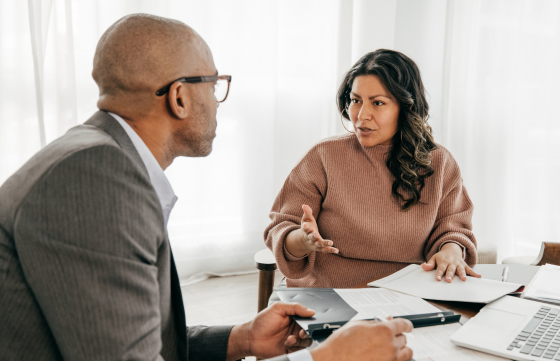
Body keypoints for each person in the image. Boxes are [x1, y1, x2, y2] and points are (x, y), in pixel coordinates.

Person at [0, 14, 414, 361]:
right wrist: (324, 358)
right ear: (179, 97)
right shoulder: (95, 179)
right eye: (214, 86)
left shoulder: (100, 159)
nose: (218, 102)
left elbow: (139, 339)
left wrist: (241, 338)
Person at [265, 49, 481, 289]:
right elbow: (282, 228)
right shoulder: (323, 156)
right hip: (329, 293)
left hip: (409, 296)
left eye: (377, 103)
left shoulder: (440, 163)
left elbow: (453, 228)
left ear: (406, 107)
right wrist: (304, 241)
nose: (361, 115)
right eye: (356, 101)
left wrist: (450, 250)